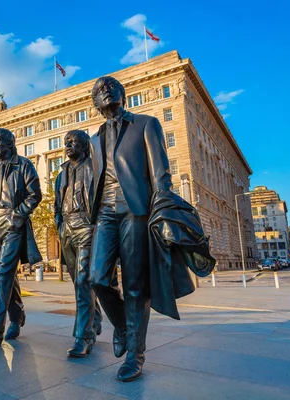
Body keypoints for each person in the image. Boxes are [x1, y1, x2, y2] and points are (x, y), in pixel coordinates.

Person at [88, 76, 173, 381]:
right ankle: (124, 326)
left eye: (111, 86)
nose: (105, 90)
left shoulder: (146, 124)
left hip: (136, 210)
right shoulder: (94, 138)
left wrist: (161, 211)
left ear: (123, 94)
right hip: (105, 213)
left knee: (135, 286)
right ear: (95, 104)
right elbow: (94, 181)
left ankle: (135, 355)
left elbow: (161, 174)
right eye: (98, 91)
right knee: (96, 277)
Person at [0, 128, 42, 346]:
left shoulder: (24, 164)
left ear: (11, 143)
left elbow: (35, 195)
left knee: (3, 273)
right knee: (8, 275)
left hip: (13, 223)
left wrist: (17, 215)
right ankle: (17, 315)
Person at [54, 129, 103, 358]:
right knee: (79, 283)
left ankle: (83, 337)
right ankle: (96, 317)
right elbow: (56, 204)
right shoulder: (61, 173)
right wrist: (59, 225)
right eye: (66, 142)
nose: (68, 145)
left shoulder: (95, 166)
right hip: (67, 228)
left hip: (87, 225)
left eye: (73, 141)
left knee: (83, 280)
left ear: (84, 145)